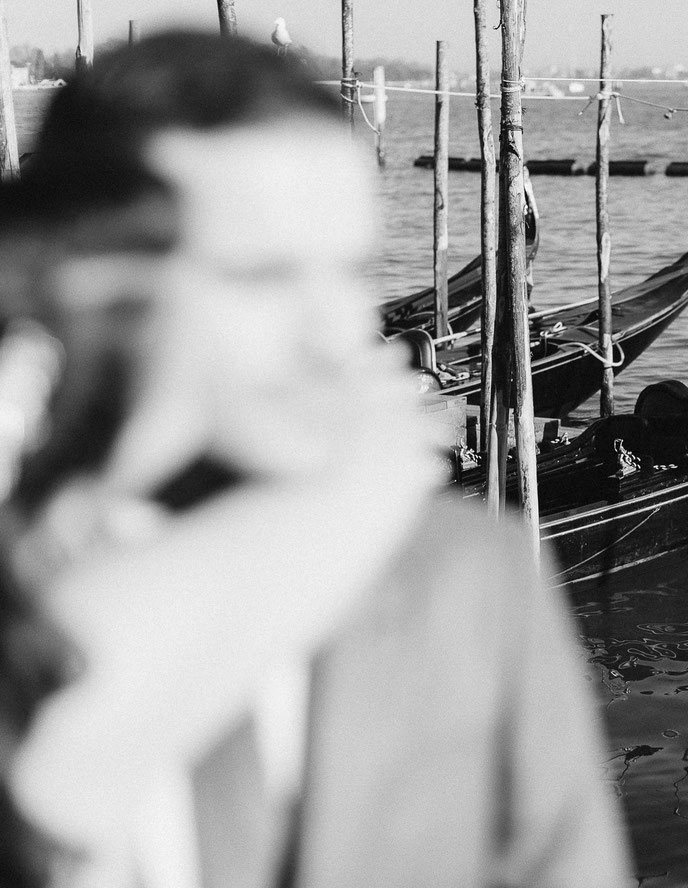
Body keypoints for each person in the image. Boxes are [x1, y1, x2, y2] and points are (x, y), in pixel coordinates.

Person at [0, 31, 632, 888]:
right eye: (261, 278)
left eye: (350, 273)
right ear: (91, 280)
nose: (334, 333)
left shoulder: (470, 572)